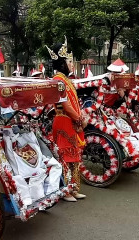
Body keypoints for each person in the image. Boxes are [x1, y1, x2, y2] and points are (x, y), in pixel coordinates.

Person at [46, 37, 86, 202]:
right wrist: (79, 118)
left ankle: (74, 188)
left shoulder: (66, 80)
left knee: (74, 156)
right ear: (61, 63)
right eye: (69, 61)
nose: (72, 64)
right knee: (65, 157)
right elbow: (66, 104)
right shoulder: (58, 81)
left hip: (71, 122)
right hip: (63, 121)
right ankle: (65, 191)